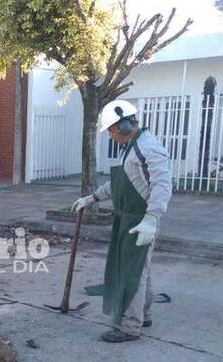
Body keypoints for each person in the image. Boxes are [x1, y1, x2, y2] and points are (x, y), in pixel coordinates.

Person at [72, 100, 172, 343]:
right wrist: (93, 197)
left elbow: (163, 185)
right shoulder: (131, 146)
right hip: (128, 218)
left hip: (141, 220)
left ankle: (129, 327)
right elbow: (119, 183)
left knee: (132, 273)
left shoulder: (149, 148)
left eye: (111, 130)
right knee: (140, 271)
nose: (110, 135)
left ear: (125, 125)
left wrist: (151, 218)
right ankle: (143, 315)